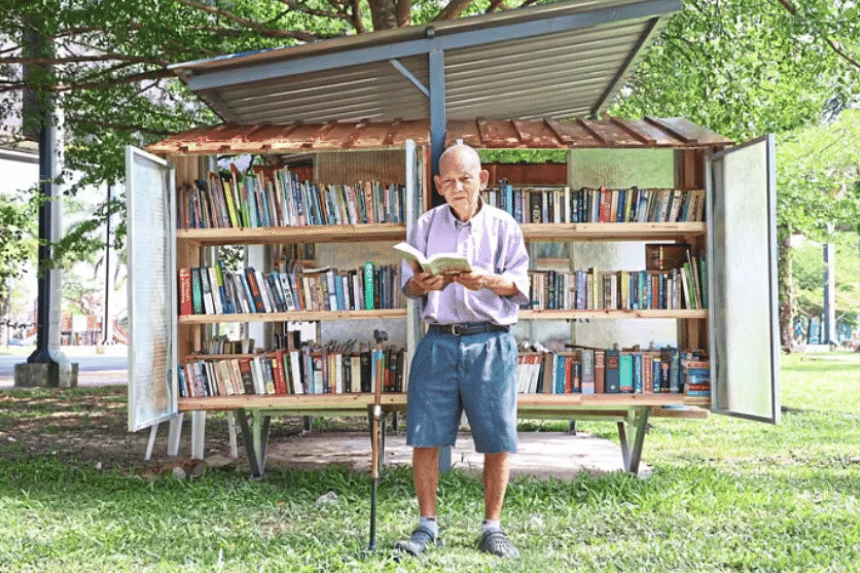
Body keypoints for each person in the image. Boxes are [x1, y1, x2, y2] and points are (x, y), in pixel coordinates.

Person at [395, 143, 530, 558]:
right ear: (437, 185)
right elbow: (408, 283)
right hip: (438, 339)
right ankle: (426, 525)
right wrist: (423, 284)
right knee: (425, 434)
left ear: (483, 179)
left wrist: (488, 280)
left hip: (489, 338)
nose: (457, 188)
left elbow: (520, 285)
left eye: (465, 179)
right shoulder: (424, 224)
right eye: (448, 181)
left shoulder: (504, 226)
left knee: (497, 437)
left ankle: (493, 527)